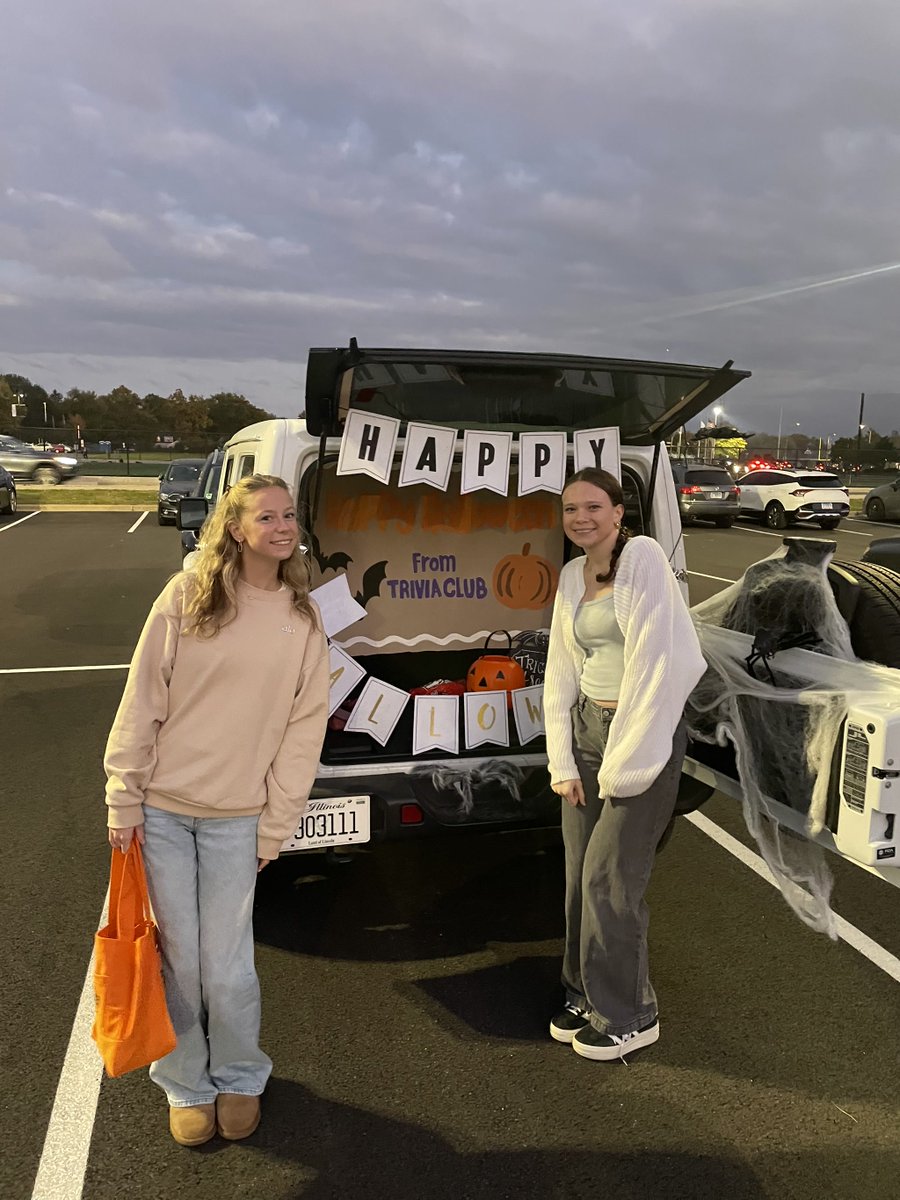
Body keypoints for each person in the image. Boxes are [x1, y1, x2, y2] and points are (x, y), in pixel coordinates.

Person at [104, 474, 329, 1145]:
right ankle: (185, 1083)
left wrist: (278, 821)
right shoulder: (187, 597)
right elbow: (142, 698)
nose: (283, 527)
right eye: (267, 516)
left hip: (239, 818)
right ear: (236, 528)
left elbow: (303, 730)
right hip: (164, 811)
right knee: (180, 960)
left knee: (228, 967)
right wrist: (124, 796)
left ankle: (239, 1075)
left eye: (290, 516)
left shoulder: (301, 618)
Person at [543, 467, 706, 1061]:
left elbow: (659, 666)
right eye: (569, 510)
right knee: (576, 871)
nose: (580, 518)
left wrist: (625, 763)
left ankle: (631, 1014)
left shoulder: (642, 560)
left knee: (609, 878)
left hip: (641, 731)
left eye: (592, 507)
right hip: (587, 729)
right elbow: (562, 668)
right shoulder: (569, 576)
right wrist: (562, 757)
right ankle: (584, 991)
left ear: (618, 513)